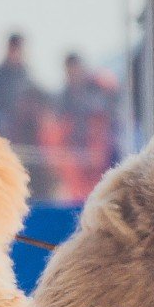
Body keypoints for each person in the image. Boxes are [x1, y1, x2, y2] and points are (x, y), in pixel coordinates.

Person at [54, 53, 120, 200]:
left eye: (75, 69)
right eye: (69, 71)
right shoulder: (65, 96)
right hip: (78, 158)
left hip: (103, 151)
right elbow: (61, 127)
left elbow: (110, 112)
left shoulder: (99, 87)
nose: (73, 74)